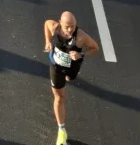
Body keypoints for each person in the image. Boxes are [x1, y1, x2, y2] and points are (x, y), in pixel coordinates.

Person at [43, 11, 100, 145]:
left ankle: (68, 77)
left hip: (72, 68)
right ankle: (61, 130)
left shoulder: (81, 37)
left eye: (73, 26)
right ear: (60, 23)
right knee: (59, 97)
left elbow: (95, 47)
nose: (70, 29)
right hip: (56, 66)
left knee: (70, 78)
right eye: (67, 26)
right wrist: (47, 41)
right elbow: (46, 24)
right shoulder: (54, 27)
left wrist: (81, 55)